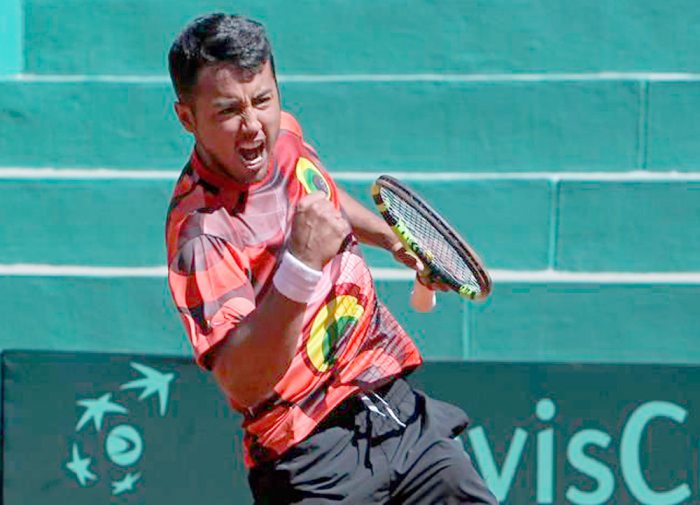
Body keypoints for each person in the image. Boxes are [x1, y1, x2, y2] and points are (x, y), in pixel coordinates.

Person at [165, 12, 498, 505]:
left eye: (263, 100)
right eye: (229, 110)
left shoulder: (284, 137)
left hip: (393, 406)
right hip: (311, 457)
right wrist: (300, 266)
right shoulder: (201, 234)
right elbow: (242, 381)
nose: (253, 126)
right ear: (187, 118)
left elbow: (322, 197)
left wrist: (392, 240)